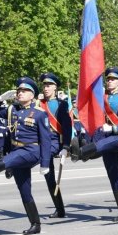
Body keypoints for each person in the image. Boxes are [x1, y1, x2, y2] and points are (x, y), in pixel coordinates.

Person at [0, 77, 52, 235]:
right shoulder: (12, 110)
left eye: (24, 91)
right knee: (24, 190)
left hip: (31, 151)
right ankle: (35, 224)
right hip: (17, 150)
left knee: (10, 160)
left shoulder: (40, 114)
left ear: (33, 95)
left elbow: (46, 140)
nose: (20, 93)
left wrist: (45, 163)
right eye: (19, 91)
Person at [71, 67, 118, 222]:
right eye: (108, 79)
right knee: (113, 177)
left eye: (113, 79)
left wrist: (113, 128)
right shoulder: (102, 97)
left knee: (105, 143)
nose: (109, 81)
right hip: (106, 142)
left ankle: (80, 153)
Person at [38, 72, 72, 218]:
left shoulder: (60, 104)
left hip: (53, 142)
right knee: (49, 179)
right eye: (45, 85)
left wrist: (65, 146)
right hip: (39, 142)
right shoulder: (38, 104)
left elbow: (67, 127)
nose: (46, 88)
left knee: (48, 173)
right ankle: (60, 209)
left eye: (49, 85)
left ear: (55, 87)